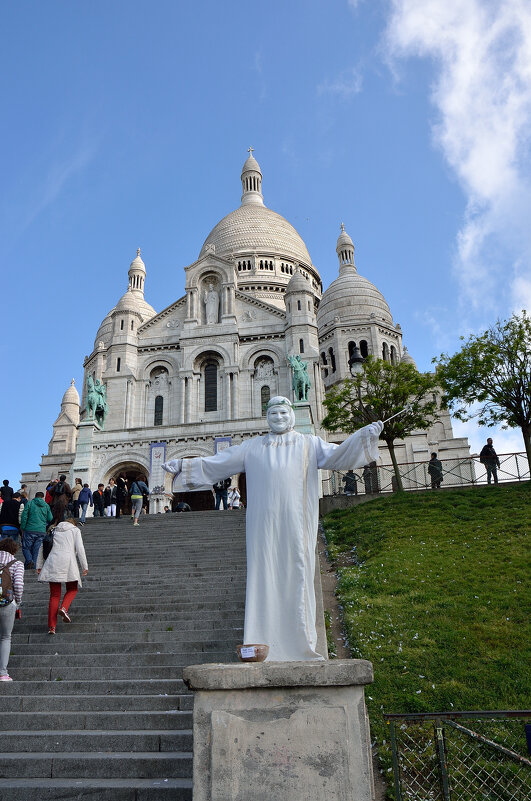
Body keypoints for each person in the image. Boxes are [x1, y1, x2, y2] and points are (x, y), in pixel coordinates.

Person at [162, 396, 383, 661]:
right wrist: (183, 466)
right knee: (262, 576)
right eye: (273, 413)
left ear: (291, 414)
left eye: (283, 413)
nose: (278, 418)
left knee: (297, 573)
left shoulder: (308, 444)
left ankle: (300, 645)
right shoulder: (252, 447)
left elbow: (338, 455)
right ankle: (260, 643)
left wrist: (364, 436)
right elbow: (220, 462)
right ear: (267, 416)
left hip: (296, 523)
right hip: (262, 527)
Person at [36, 519, 88, 635]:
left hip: (53, 561)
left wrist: (39, 565)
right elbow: (80, 549)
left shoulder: (53, 530)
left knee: (54, 595)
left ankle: (52, 627)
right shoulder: (75, 530)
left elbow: (42, 547)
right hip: (68, 563)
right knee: (72, 589)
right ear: (73, 523)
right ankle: (64, 608)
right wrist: (84, 566)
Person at [0, 538, 24, 680]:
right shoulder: (17, 563)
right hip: (7, 603)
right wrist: (18, 603)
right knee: (5, 637)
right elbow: (19, 586)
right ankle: (2, 673)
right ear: (14, 550)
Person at [20, 491, 53, 569]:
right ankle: (33, 566)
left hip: (29, 529)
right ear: (43, 497)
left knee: (26, 548)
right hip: (41, 531)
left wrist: (23, 527)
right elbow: (50, 518)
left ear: (35, 496)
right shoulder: (46, 505)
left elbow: (24, 516)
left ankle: (29, 560)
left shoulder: (30, 503)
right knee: (36, 550)